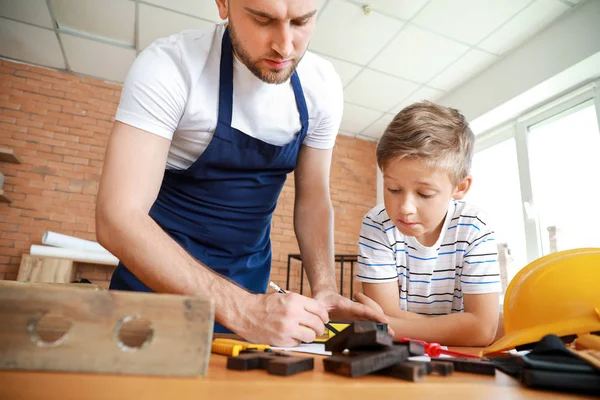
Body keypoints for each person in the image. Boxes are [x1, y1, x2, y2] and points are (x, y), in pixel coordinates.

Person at [95, 0, 387, 346]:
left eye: (301, 22)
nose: (285, 45)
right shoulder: (169, 66)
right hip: (152, 299)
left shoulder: (321, 87)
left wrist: (324, 289)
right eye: (264, 19)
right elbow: (117, 218)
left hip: (251, 304)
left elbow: (313, 199)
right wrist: (241, 308)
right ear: (223, 4)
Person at [354, 101, 501, 346]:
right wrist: (462, 326)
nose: (405, 208)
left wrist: (394, 325)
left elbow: (483, 330)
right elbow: (381, 317)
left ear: (460, 187)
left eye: (424, 194)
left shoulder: (474, 227)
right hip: (400, 356)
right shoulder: (377, 224)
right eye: (393, 189)